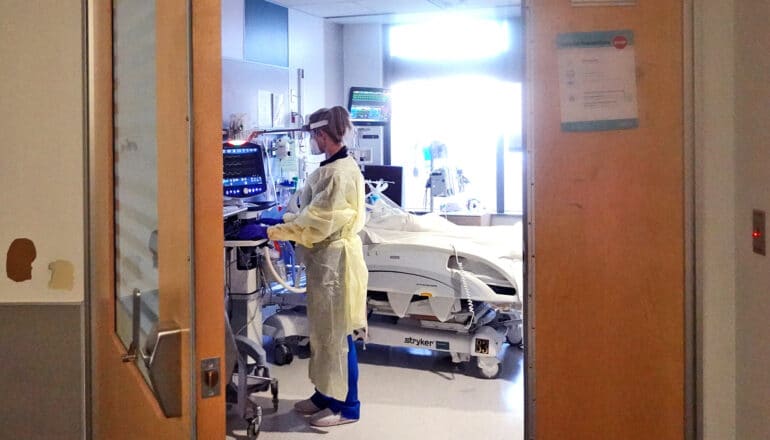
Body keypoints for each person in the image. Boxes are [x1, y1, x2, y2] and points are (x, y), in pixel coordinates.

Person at [249, 106, 368, 427]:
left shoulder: (340, 173)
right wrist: (285, 220)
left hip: (336, 265)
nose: (311, 142)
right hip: (324, 263)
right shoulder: (329, 167)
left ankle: (347, 406)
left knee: (338, 337)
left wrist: (275, 229)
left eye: (312, 136)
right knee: (322, 334)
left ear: (321, 135)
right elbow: (312, 213)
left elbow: (318, 222)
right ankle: (324, 395)